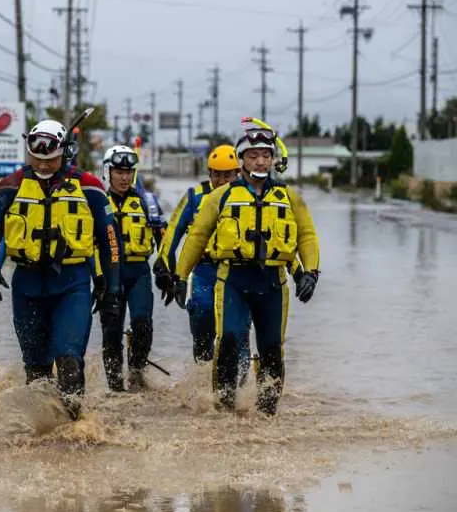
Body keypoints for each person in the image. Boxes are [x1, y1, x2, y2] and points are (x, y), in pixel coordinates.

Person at [0, 118, 122, 420]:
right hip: (27, 286)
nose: (42, 165)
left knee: (68, 360)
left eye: (50, 159)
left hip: (72, 285)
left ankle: (74, 431)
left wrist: (111, 288)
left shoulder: (89, 187)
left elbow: (110, 241)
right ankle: (45, 436)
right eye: (37, 158)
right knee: (37, 372)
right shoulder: (11, 185)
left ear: (64, 152)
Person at [173, 124, 320, 415]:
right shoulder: (221, 197)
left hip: (273, 285)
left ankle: (266, 417)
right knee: (227, 339)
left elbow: (306, 236)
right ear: (242, 159)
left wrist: (309, 273)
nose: (260, 162)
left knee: (271, 350)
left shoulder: (289, 197)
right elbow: (198, 237)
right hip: (233, 281)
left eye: (266, 155)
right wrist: (179, 276)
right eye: (253, 155)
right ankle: (223, 411)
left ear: (274, 159)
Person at [154, 145, 242, 364]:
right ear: (209, 173)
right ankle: (203, 365)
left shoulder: (247, 198)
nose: (222, 181)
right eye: (217, 175)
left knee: (237, 329)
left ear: (237, 174)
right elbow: (173, 233)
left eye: (228, 175)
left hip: (237, 272)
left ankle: (239, 381)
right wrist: (166, 267)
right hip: (204, 270)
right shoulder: (194, 198)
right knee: (202, 312)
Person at [97, 145, 162, 392]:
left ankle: (136, 373)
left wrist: (168, 269)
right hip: (109, 275)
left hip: (138, 273)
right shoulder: (98, 201)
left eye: (129, 172)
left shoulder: (147, 202)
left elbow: (162, 237)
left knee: (142, 322)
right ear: (108, 172)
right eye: (119, 171)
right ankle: (115, 387)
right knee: (111, 330)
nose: (124, 177)